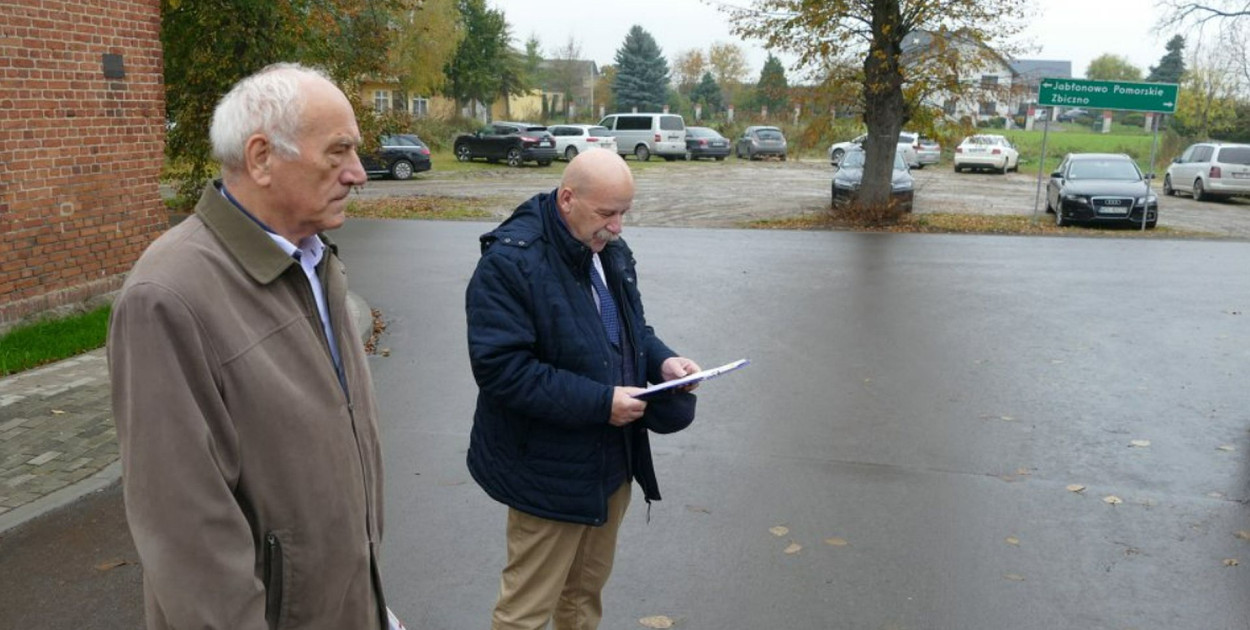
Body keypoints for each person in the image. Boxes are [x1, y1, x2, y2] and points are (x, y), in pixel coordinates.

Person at [108, 63, 393, 630]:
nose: (358, 173)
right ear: (262, 158)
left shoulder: (313, 260)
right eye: (338, 152)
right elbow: (188, 536)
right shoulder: (167, 296)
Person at [465, 147, 702, 630]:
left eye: (624, 214)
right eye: (607, 214)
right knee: (525, 612)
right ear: (568, 198)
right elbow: (502, 370)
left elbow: (629, 328)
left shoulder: (604, 247)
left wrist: (663, 362)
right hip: (547, 472)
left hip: (611, 462)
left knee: (582, 599)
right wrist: (600, 403)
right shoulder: (511, 263)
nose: (618, 227)